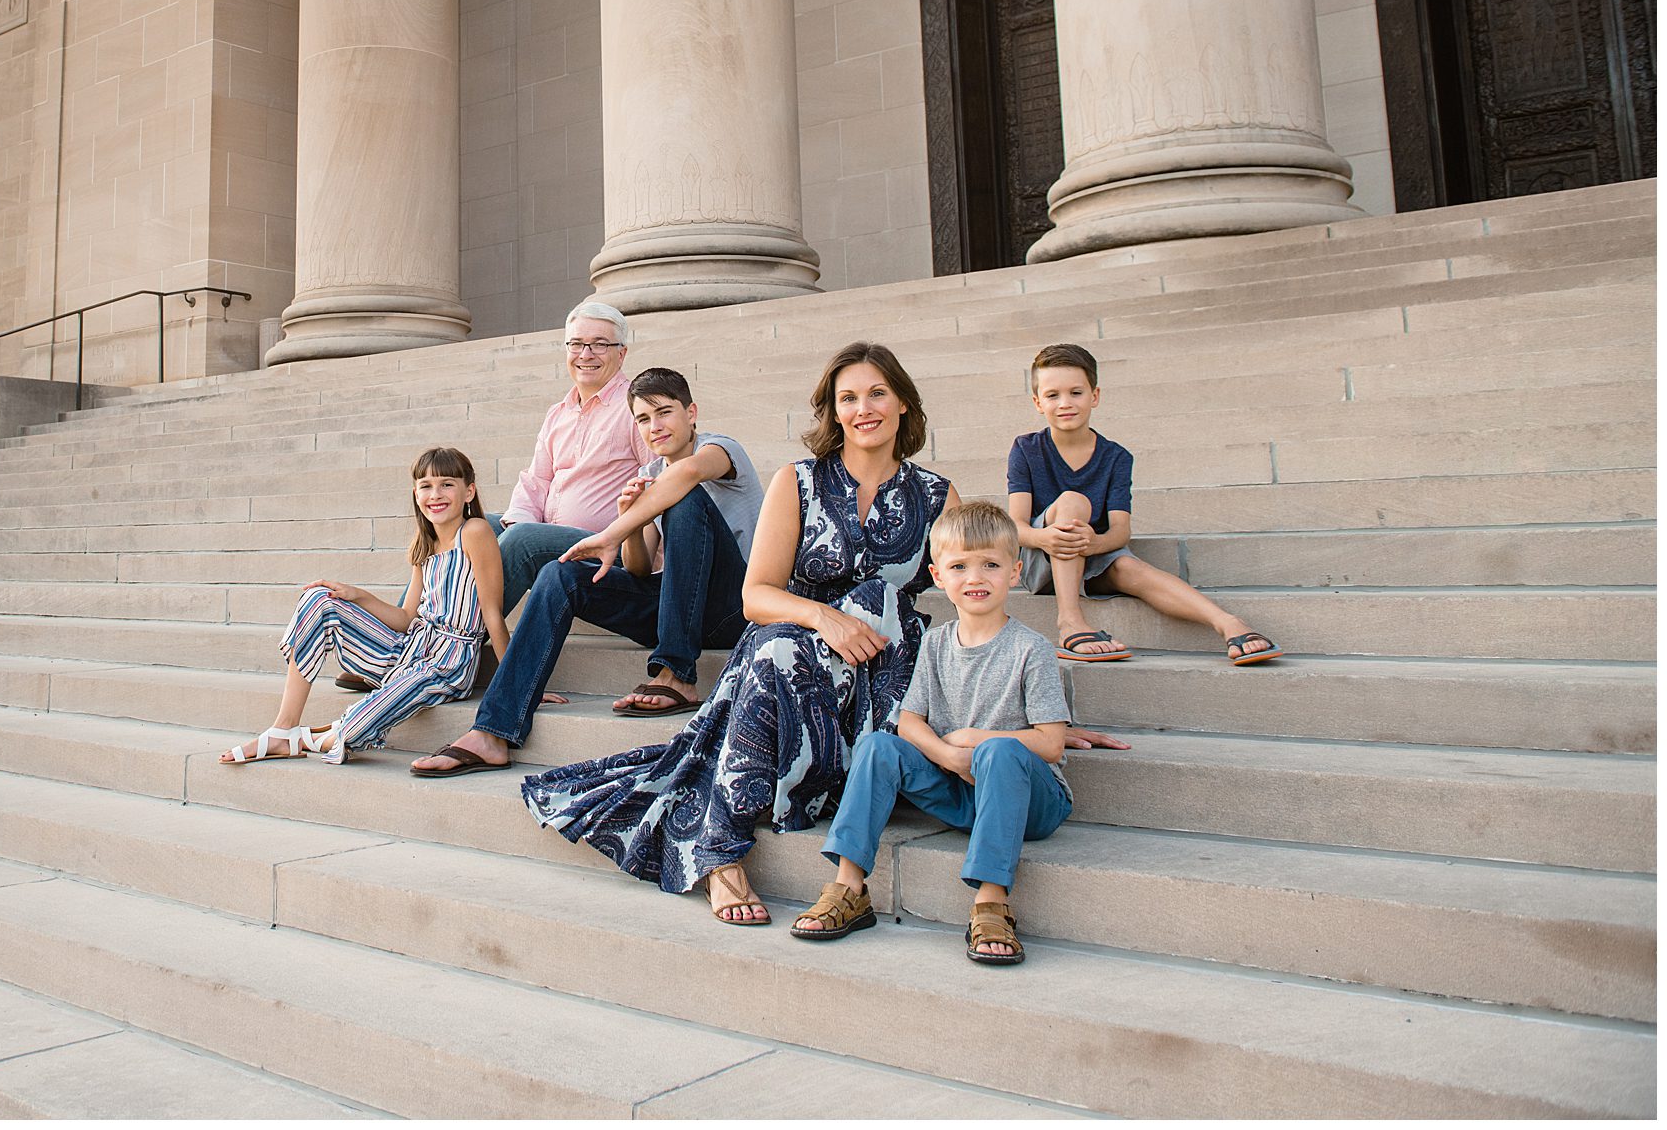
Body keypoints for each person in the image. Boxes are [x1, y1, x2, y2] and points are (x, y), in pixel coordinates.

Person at [521, 342, 949, 928]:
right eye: (848, 397)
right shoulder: (797, 481)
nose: (863, 408)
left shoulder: (935, 495)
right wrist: (825, 617)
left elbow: (982, 578)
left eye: (877, 393)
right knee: (776, 651)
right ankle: (719, 852)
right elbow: (757, 596)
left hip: (885, 657)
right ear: (833, 409)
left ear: (903, 402)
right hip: (800, 634)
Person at [408, 367, 761, 777]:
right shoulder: (648, 478)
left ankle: (676, 674)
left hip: (734, 608)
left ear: (691, 412)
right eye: (643, 420)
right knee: (560, 574)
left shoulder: (721, 449)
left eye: (664, 413)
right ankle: (493, 731)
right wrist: (631, 521)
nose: (655, 427)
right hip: (676, 604)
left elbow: (687, 474)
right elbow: (640, 567)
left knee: (685, 496)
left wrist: (613, 531)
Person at [791, 499, 1073, 964]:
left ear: (1015, 572)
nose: (975, 578)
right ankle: (849, 888)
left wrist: (974, 741)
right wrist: (948, 755)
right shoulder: (937, 642)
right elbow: (909, 720)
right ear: (939, 576)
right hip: (962, 788)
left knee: (1000, 753)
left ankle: (991, 902)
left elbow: (1050, 742)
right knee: (879, 744)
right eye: (959, 566)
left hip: (1029, 802)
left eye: (990, 565)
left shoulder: (1032, 650)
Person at [334, 300, 644, 691]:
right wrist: (514, 521)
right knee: (472, 525)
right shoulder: (558, 413)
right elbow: (535, 482)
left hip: (602, 546)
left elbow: (656, 481)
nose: (586, 354)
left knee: (522, 539)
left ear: (622, 352)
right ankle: (394, 642)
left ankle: (426, 649)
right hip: (552, 530)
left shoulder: (637, 406)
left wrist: (635, 541)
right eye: (576, 344)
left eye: (599, 344)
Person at [221, 447, 507, 766]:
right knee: (320, 599)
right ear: (415, 493)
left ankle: (316, 736)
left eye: (446, 484)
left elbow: (492, 614)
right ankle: (282, 729)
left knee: (355, 729)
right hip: (408, 648)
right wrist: (356, 595)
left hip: (446, 664)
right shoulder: (425, 543)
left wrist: (514, 681)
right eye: (425, 486)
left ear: (469, 491)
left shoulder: (475, 532)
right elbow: (404, 618)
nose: (435, 494)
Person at [1010, 343, 1281, 666]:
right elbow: (1016, 527)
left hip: (1091, 553)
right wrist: (1047, 537)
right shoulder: (1027, 449)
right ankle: (1070, 621)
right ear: (1038, 402)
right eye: (1053, 395)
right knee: (1072, 502)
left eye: (1076, 393)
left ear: (1095, 396)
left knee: (1130, 567)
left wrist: (1094, 542)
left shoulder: (1116, 457)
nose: (1065, 403)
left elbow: (1120, 532)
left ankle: (1228, 623)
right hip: (1041, 560)